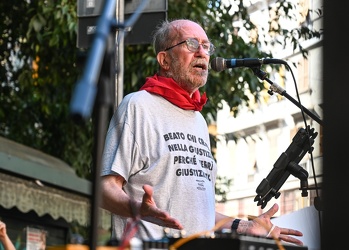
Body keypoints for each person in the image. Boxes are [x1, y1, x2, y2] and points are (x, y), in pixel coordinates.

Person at [100, 18, 304, 246]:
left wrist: (246, 226)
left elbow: (200, 215)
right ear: (164, 59)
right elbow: (105, 189)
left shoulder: (199, 121)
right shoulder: (137, 106)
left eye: (206, 46)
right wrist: (138, 209)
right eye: (191, 44)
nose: (202, 53)